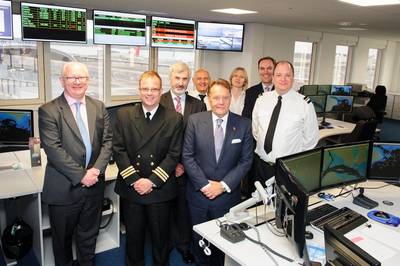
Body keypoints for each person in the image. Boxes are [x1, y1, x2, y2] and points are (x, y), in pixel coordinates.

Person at [38, 62, 113, 266]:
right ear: (62, 81)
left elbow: (108, 142)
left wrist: (96, 170)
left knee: (88, 237)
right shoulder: (48, 110)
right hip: (64, 189)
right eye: (72, 77)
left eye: (82, 77)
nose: (77, 81)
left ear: (88, 81)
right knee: (62, 241)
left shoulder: (98, 107)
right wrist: (82, 175)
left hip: (94, 188)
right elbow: (53, 150)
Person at [113, 70, 183, 266]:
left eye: (154, 89)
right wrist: (135, 181)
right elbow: (118, 149)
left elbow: (173, 154)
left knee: (161, 240)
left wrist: (151, 182)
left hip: (159, 189)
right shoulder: (124, 115)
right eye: (145, 88)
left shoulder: (173, 118)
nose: (149, 93)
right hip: (132, 188)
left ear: (161, 91)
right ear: (139, 90)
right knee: (134, 239)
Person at [182, 79, 253, 266]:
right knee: (199, 240)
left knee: (224, 243)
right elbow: (187, 156)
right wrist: (205, 185)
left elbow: (246, 161)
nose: (220, 102)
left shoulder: (244, 124)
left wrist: (222, 186)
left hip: (227, 197)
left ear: (230, 98)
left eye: (225, 97)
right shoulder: (195, 121)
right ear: (209, 100)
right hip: (199, 194)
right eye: (216, 98)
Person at [160, 61, 206, 264]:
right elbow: (156, 139)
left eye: (184, 78)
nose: (180, 83)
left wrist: (185, 165)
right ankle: (165, 246)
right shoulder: (158, 102)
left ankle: (185, 246)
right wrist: (172, 165)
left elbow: (201, 141)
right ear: (170, 78)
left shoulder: (198, 105)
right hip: (163, 169)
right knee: (164, 212)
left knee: (184, 211)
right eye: (177, 78)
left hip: (189, 170)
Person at [252, 60, 319, 184]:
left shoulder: (304, 104)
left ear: (293, 78)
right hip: (262, 166)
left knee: (284, 203)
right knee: (261, 203)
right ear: (273, 78)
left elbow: (311, 140)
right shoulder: (261, 100)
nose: (283, 79)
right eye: (278, 75)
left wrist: (293, 158)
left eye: (287, 75)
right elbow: (256, 131)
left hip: (288, 169)